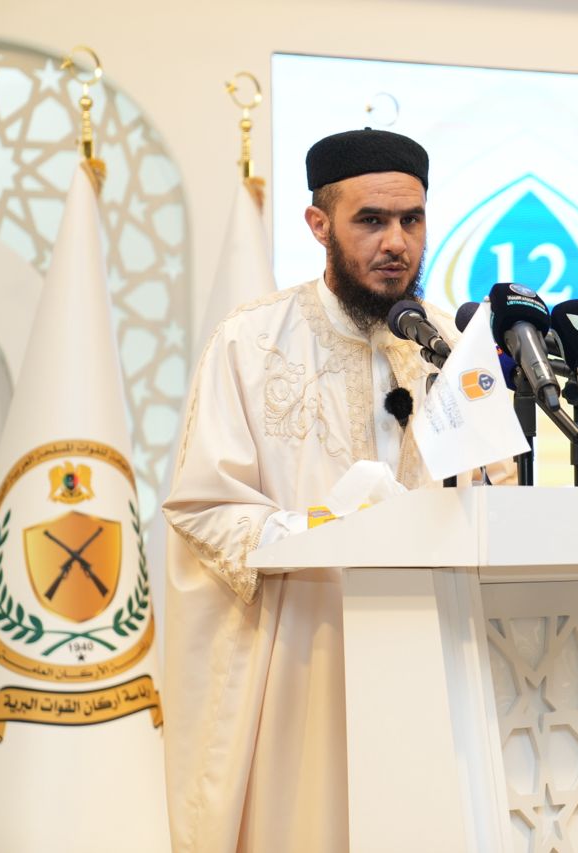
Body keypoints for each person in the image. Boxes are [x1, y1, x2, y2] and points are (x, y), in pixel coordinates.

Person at [162, 129, 476, 852]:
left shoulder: (452, 349)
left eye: (412, 220)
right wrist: (323, 531)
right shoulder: (251, 343)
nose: (396, 242)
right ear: (318, 224)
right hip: (304, 663)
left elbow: (492, 489)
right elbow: (204, 506)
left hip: (428, 660)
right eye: (371, 220)